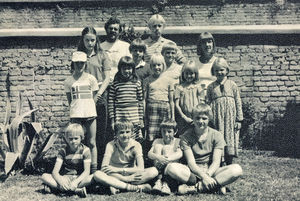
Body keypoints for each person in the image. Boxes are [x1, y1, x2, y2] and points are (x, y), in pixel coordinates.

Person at [164, 104, 243, 195]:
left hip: (212, 170)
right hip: (193, 172)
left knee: (237, 169)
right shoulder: (186, 136)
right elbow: (191, 163)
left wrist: (207, 175)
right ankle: (215, 186)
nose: (200, 121)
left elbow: (216, 162)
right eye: (197, 118)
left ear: (209, 119)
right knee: (171, 168)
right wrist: (204, 177)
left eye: (204, 118)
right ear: (193, 119)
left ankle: (196, 188)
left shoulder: (217, 135)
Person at [93, 119, 158, 195]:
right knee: (97, 174)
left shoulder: (136, 145)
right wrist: (125, 179)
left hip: (131, 175)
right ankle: (133, 188)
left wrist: (119, 170)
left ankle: (117, 186)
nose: (125, 135)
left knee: (154, 171)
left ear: (132, 133)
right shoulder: (110, 145)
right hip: (115, 175)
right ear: (116, 134)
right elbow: (104, 168)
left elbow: (140, 168)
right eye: (121, 132)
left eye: (127, 132)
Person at [77, 26, 111, 166]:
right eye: (87, 40)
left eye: (92, 40)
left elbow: (107, 78)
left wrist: (99, 95)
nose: (90, 43)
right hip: (84, 96)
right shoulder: (78, 56)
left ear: (96, 40)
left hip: (100, 96)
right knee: (84, 133)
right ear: (83, 40)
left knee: (100, 133)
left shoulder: (102, 55)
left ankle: (100, 165)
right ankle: (84, 165)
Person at [64, 51, 99, 173]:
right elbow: (71, 100)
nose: (80, 66)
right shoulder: (68, 81)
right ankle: (77, 169)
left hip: (90, 114)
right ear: (73, 64)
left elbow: (93, 98)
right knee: (76, 143)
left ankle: (93, 170)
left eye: (82, 63)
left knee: (91, 142)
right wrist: (76, 111)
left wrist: (88, 108)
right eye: (77, 63)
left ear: (85, 64)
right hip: (76, 115)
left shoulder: (91, 79)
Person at [206, 58, 243, 165]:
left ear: (227, 70)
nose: (219, 72)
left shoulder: (232, 85)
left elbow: (238, 102)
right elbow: (208, 103)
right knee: (219, 137)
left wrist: (239, 120)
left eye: (222, 70)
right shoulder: (211, 87)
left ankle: (229, 161)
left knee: (230, 137)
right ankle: (219, 161)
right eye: (216, 70)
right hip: (217, 118)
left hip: (230, 118)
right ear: (213, 72)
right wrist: (209, 118)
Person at [41, 124, 93, 197]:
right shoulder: (63, 151)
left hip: (79, 178)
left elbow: (86, 171)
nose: (73, 141)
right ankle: (76, 191)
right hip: (65, 178)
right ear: (66, 139)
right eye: (70, 139)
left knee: (92, 177)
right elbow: (55, 172)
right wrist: (61, 181)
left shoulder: (85, 150)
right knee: (44, 176)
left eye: (76, 138)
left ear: (81, 138)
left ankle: (57, 189)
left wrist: (75, 182)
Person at [108, 56, 144, 141]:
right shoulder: (115, 84)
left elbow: (140, 101)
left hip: (134, 116)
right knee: (121, 138)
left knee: (134, 140)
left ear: (133, 69)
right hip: (120, 115)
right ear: (120, 69)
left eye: (129, 68)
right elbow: (111, 102)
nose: (127, 71)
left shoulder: (137, 83)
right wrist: (113, 120)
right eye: (124, 68)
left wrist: (141, 118)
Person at [144, 53, 175, 142]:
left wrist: (173, 116)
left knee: (165, 133)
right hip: (152, 109)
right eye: (154, 65)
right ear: (150, 66)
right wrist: (144, 116)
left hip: (165, 108)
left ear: (163, 65)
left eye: (159, 65)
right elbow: (144, 100)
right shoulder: (147, 80)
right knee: (151, 135)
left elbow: (171, 100)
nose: (156, 67)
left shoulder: (169, 80)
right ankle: (151, 154)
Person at [147, 119, 182, 195]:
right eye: (164, 131)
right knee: (158, 146)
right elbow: (149, 154)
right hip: (159, 167)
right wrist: (159, 158)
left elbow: (180, 154)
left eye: (169, 131)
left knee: (167, 148)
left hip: (170, 170)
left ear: (175, 132)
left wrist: (166, 159)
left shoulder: (177, 141)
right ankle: (159, 181)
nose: (166, 134)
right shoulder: (157, 140)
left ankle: (166, 183)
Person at [175, 60, 205, 133]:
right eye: (187, 73)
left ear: (195, 74)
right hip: (183, 119)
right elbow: (176, 105)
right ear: (183, 74)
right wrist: (184, 117)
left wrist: (197, 117)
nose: (189, 76)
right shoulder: (179, 88)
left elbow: (202, 103)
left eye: (191, 73)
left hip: (196, 118)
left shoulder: (198, 87)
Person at [100, 17, 131, 81]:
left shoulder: (126, 46)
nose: (113, 31)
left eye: (115, 29)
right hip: (104, 83)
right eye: (110, 28)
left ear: (119, 31)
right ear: (106, 30)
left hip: (121, 82)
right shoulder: (100, 47)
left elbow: (130, 66)